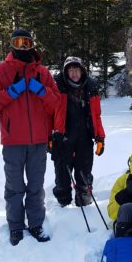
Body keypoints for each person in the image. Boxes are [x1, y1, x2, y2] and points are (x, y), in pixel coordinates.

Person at [0, 29, 60, 246]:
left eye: (26, 42)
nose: (23, 47)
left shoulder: (42, 73)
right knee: (15, 186)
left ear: (32, 45)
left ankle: (36, 223)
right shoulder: (0, 71)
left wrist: (40, 90)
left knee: (36, 185)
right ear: (11, 45)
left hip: (38, 141)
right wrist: (12, 91)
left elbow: (56, 102)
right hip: (13, 141)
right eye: (18, 42)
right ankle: (16, 226)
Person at [50, 56, 105, 207]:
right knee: (62, 179)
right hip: (62, 139)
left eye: (77, 69)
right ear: (66, 72)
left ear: (82, 71)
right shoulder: (57, 87)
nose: (74, 73)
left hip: (84, 139)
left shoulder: (91, 88)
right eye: (70, 70)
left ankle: (84, 203)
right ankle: (63, 208)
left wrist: (100, 138)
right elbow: (48, 114)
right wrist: (49, 137)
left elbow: (96, 116)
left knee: (84, 176)